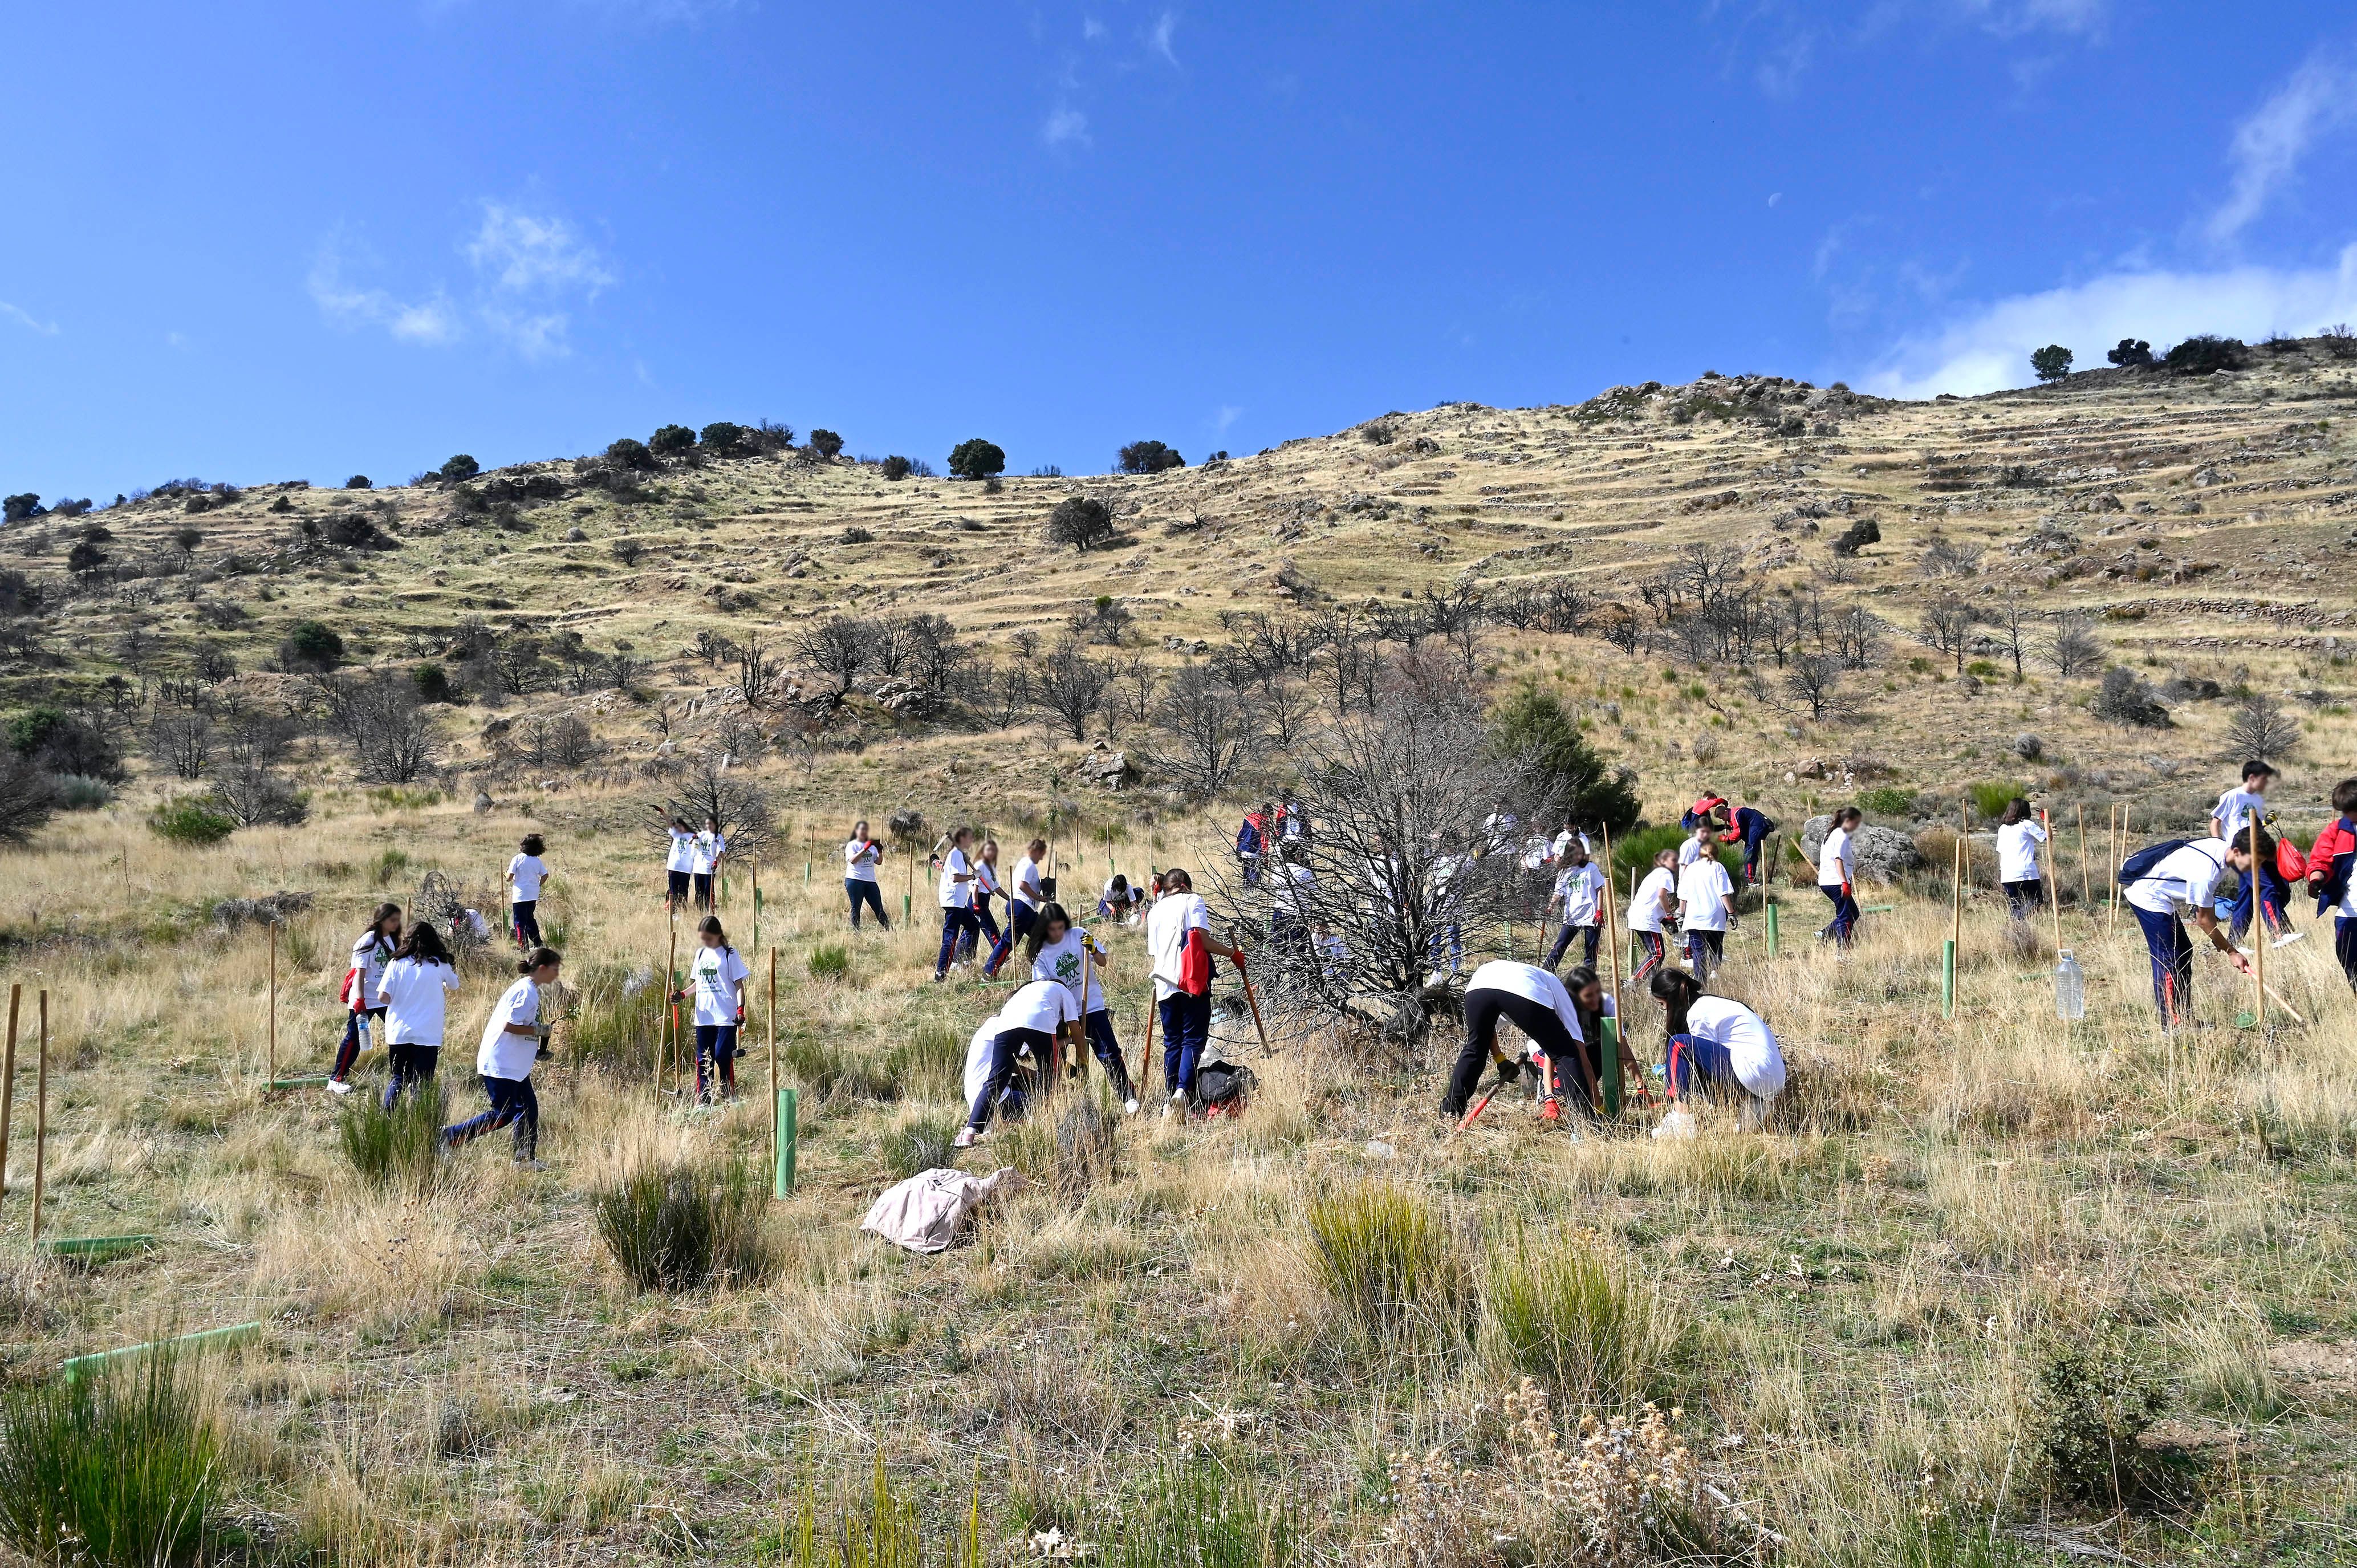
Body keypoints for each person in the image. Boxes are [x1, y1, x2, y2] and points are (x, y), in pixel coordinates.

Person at [1438, 958, 1600, 1120]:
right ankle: (1584, 1121)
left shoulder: (1543, 982)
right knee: (1566, 1054)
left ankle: (1450, 1114)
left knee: (1474, 1049)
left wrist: (1500, 1060)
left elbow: (1490, 1033)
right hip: (1522, 987)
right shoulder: (1565, 1000)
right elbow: (1580, 1058)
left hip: (1478, 985)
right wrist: (1598, 1107)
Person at [2122, 830, 2254, 1029]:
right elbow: (2204, 921)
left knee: (2183, 952)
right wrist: (2232, 952)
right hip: (2148, 898)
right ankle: (2173, 1024)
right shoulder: (2207, 874)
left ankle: (2184, 1016)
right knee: (2169, 959)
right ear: (2236, 851)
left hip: (2160, 897)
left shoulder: (2219, 847)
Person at [444, 947, 560, 1167]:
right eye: (554, 969)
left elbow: (521, 1026)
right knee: (504, 1114)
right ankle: (450, 1136)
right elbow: (510, 1025)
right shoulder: (526, 992)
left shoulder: (530, 990)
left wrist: (536, 1049)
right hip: (501, 1064)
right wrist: (538, 1031)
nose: (557, 974)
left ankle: (524, 1159)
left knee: (528, 1110)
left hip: (515, 1066)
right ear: (543, 968)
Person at [1145, 867, 1246, 1116]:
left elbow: (1154, 952)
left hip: (1164, 983)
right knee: (1193, 1039)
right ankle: (1182, 1090)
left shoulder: (1154, 911)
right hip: (1191, 981)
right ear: (1186, 885)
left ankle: (1171, 1097)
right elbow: (1200, 940)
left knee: (1172, 1042)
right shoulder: (1193, 901)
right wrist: (1232, 953)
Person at [1027, 901, 1139, 1110]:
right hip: (1062, 1014)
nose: (1058, 933)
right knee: (1056, 1058)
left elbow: (1103, 961)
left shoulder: (1079, 934)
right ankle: (1063, 1100)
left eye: (1061, 928)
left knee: (1109, 1052)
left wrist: (1094, 949)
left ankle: (1127, 1097)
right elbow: (1042, 989)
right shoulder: (1042, 954)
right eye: (1052, 930)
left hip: (1091, 1005)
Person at [955, 976, 1083, 1147]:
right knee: (1048, 1079)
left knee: (997, 1081)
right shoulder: (1063, 991)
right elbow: (1075, 1030)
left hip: (981, 1097)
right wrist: (1081, 1057)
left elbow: (1012, 1063)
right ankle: (1044, 1124)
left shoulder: (1009, 1010)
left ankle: (969, 1133)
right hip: (1002, 1102)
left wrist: (1031, 1073)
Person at [1647, 969, 1783, 1128]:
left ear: (1671, 999)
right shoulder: (1713, 1003)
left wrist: (1673, 1075)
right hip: (1774, 1079)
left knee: (1678, 1045)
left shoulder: (1697, 1015)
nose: (1664, 1010)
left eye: (1662, 1005)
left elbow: (1702, 1068)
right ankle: (1755, 1105)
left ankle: (1680, 1122)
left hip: (1751, 1070)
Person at [374, 919, 460, 1111]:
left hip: (399, 1032)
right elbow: (454, 985)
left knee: (398, 1079)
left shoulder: (396, 963)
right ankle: (418, 1122)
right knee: (422, 1083)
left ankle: (386, 1117)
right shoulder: (439, 964)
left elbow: (383, 997)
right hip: (427, 1034)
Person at [2213, 760, 2298, 945]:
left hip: (2258, 849)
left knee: (2249, 896)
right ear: (2252, 778)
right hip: (2241, 853)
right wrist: (2219, 846)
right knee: (2266, 887)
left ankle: (2234, 941)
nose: (2266, 783)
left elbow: (2255, 825)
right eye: (2264, 779)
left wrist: (2266, 825)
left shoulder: (2257, 800)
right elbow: (2215, 822)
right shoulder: (2232, 796)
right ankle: (2278, 932)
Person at [673, 915, 751, 1103]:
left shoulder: (730, 954)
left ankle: (729, 1095)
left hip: (726, 1015)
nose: (705, 941)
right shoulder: (700, 954)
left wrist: (741, 1009)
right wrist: (682, 995)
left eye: (708, 938)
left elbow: (739, 984)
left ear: (717, 935)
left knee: (722, 1055)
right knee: (703, 1059)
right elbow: (697, 985)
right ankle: (704, 1098)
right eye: (703, 938)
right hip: (704, 1015)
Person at [328, 902, 403, 1096]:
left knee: (400, 1035)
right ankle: (336, 1079)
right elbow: (359, 974)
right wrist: (359, 1000)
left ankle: (403, 1076)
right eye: (392, 920)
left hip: (385, 998)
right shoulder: (367, 941)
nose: (396, 924)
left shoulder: (394, 940)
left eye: (398, 920)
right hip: (365, 998)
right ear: (382, 920)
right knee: (355, 1039)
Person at [2306, 777, 2357, 989]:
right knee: (2348, 959)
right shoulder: (2337, 830)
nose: (2348, 816)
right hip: (2350, 910)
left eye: (2350, 811)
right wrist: (2316, 877)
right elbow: (2320, 860)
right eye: (2344, 811)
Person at [1676, 830, 1735, 982]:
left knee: (1698, 951)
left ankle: (1700, 981)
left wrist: (1682, 914)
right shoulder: (1718, 867)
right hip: (1715, 916)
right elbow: (1724, 893)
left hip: (1694, 917)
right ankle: (1714, 970)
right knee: (1715, 947)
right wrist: (1732, 913)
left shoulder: (1690, 869)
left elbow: (1683, 895)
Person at [985, 838, 1048, 978]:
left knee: (1042, 936)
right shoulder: (1028, 864)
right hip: (1022, 907)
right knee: (1009, 941)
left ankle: (1044, 967)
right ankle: (989, 971)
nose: (1042, 857)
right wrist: (1038, 898)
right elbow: (1022, 885)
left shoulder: (1026, 864)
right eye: (1042, 853)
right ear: (1037, 851)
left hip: (1027, 910)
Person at [1544, 842, 1608, 972]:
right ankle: (1546, 971)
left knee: (1590, 950)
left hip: (1590, 914)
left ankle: (1588, 979)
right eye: (1576, 853)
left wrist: (1599, 911)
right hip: (1572, 915)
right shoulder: (1564, 872)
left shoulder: (1591, 868)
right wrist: (1551, 906)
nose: (1579, 856)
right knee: (1560, 945)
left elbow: (1599, 889)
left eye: (1581, 853)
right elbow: (1558, 893)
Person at [933, 826, 980, 982]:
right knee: (950, 937)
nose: (972, 841)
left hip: (958, 902)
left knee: (973, 926)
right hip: (953, 901)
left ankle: (965, 960)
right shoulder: (955, 854)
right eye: (970, 838)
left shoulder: (959, 855)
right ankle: (941, 973)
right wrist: (973, 875)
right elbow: (955, 878)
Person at [1626, 849, 1677, 985]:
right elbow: (1661, 895)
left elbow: (1653, 901)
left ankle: (1652, 984)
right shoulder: (1666, 873)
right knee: (1658, 953)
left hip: (1638, 915)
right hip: (1646, 918)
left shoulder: (1655, 874)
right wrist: (1669, 915)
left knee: (1655, 954)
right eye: (1673, 860)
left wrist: (1666, 921)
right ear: (1663, 861)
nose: (1676, 863)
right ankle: (1634, 980)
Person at [1996, 799, 2046, 922]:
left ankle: (2015, 926)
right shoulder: (2027, 824)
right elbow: (2046, 837)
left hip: (2007, 874)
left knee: (2015, 903)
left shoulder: (2003, 828)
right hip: (2025, 873)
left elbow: (2000, 852)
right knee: (2036, 900)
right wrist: (2046, 820)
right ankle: (2018, 921)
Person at [1818, 807, 1861, 948]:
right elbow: (1838, 859)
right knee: (1846, 916)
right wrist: (1845, 883)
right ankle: (1842, 950)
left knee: (1854, 913)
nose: (1857, 826)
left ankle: (1824, 934)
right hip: (1836, 882)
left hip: (1826, 881)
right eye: (1856, 823)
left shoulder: (1831, 834)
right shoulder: (1842, 835)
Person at [963, 839, 1006, 965]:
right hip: (977, 902)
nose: (991, 852)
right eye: (988, 850)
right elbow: (976, 887)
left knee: (971, 931)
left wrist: (1010, 899)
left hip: (985, 902)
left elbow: (996, 888)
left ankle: (964, 959)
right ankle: (1002, 959)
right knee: (991, 930)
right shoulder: (980, 865)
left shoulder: (992, 867)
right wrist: (976, 905)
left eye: (993, 850)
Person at [843, 819, 891, 931]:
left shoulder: (872, 845)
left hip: (870, 881)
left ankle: (890, 930)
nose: (864, 832)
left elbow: (878, 862)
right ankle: (857, 933)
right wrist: (865, 849)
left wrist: (879, 850)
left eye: (866, 830)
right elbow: (853, 860)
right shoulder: (852, 845)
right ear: (856, 831)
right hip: (855, 880)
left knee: (878, 908)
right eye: (861, 829)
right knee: (856, 908)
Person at [506, 833, 550, 949]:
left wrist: (506, 875)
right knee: (530, 918)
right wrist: (538, 884)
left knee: (519, 922)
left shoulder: (517, 858)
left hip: (520, 894)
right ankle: (537, 943)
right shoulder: (537, 861)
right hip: (533, 893)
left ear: (525, 846)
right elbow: (545, 875)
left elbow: (509, 877)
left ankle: (523, 947)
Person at [1724, 803, 1776, 885]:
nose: (1723, 819)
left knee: (1749, 854)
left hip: (1758, 827)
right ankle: (1751, 878)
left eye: (1722, 817)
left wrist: (1727, 839)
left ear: (1726, 812)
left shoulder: (1735, 815)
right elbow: (1740, 832)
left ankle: (1750, 880)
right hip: (1759, 826)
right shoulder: (1737, 813)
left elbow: (1738, 833)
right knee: (1752, 854)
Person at [659, 813, 696, 910]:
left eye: (680, 826)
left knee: (683, 891)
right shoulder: (676, 835)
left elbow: (697, 848)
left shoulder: (692, 836)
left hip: (685, 868)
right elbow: (670, 824)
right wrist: (663, 813)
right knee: (673, 891)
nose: (679, 828)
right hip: (673, 867)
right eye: (677, 826)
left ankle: (683, 909)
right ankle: (673, 910)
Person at [690, 814, 726, 912]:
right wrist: (694, 839)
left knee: (708, 892)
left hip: (709, 869)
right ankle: (698, 910)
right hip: (698, 868)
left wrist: (716, 861)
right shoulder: (701, 834)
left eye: (710, 824)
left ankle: (709, 910)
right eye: (707, 824)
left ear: (715, 824)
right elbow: (694, 846)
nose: (708, 826)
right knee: (699, 892)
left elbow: (721, 851)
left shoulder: (718, 837)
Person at [1236, 809, 1266, 887]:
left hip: (1243, 850)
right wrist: (1264, 853)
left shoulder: (1249, 819)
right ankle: (1253, 893)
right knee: (1254, 875)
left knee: (1246, 874)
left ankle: (1246, 891)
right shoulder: (1263, 822)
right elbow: (1264, 839)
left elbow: (1240, 833)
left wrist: (1238, 847)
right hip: (1254, 851)